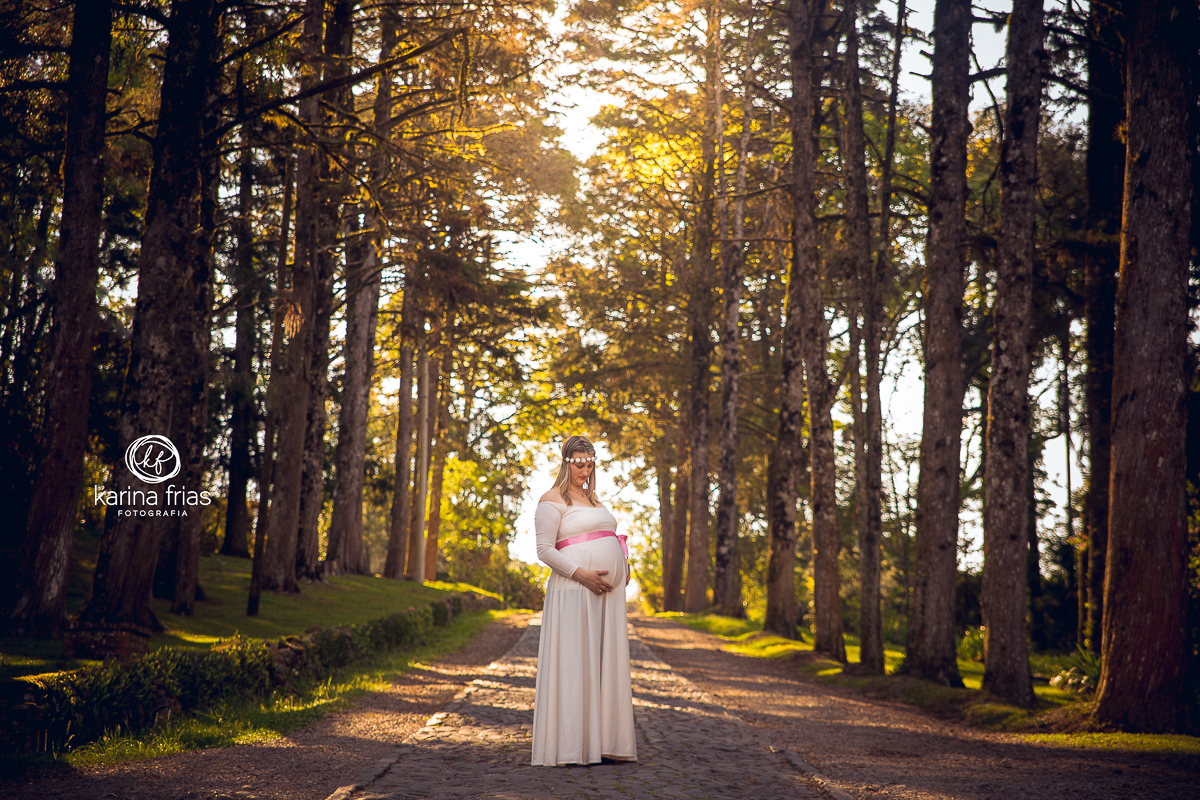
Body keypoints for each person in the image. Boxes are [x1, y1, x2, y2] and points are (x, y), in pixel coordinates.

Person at [530, 435, 637, 766]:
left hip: (607, 597)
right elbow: (544, 550)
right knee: (577, 661)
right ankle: (573, 747)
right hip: (575, 591)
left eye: (589, 463)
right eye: (578, 463)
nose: (584, 469)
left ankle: (606, 742)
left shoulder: (594, 500)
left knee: (605, 663)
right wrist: (582, 574)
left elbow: (607, 537)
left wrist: (624, 562)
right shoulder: (552, 499)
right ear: (566, 462)